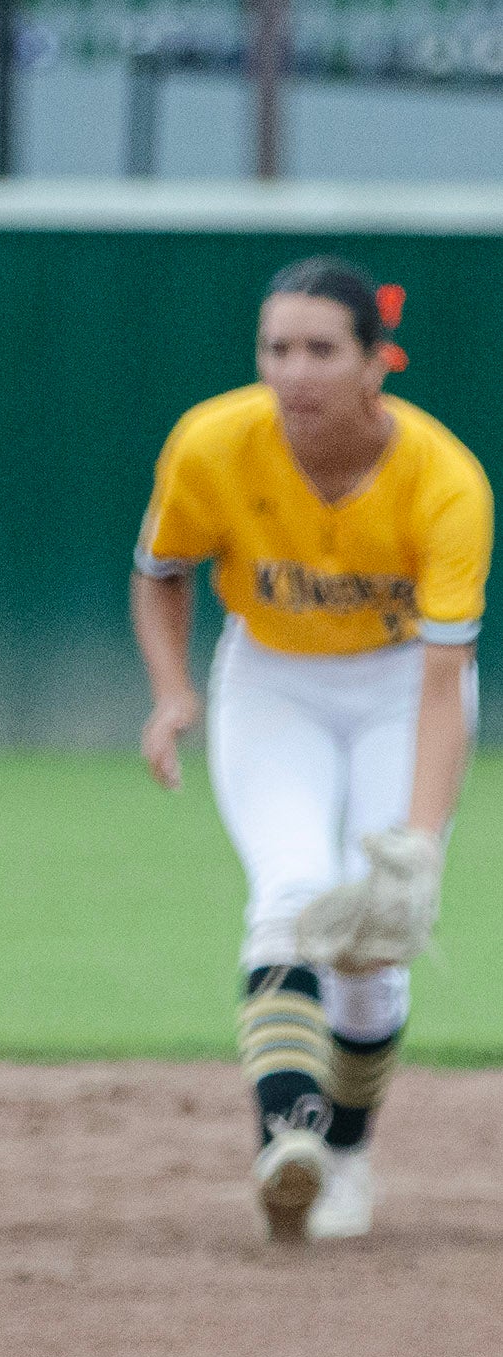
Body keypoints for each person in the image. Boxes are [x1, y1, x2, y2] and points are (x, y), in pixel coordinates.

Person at [134, 258, 487, 1241]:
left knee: (374, 943)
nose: (295, 371)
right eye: (277, 348)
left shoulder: (444, 480)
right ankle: (288, 1142)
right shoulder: (213, 444)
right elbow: (162, 570)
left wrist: (420, 838)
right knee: (290, 895)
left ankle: (349, 1153)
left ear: (375, 363)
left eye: (321, 349)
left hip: (396, 684)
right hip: (273, 679)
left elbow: (444, 678)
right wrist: (172, 690)